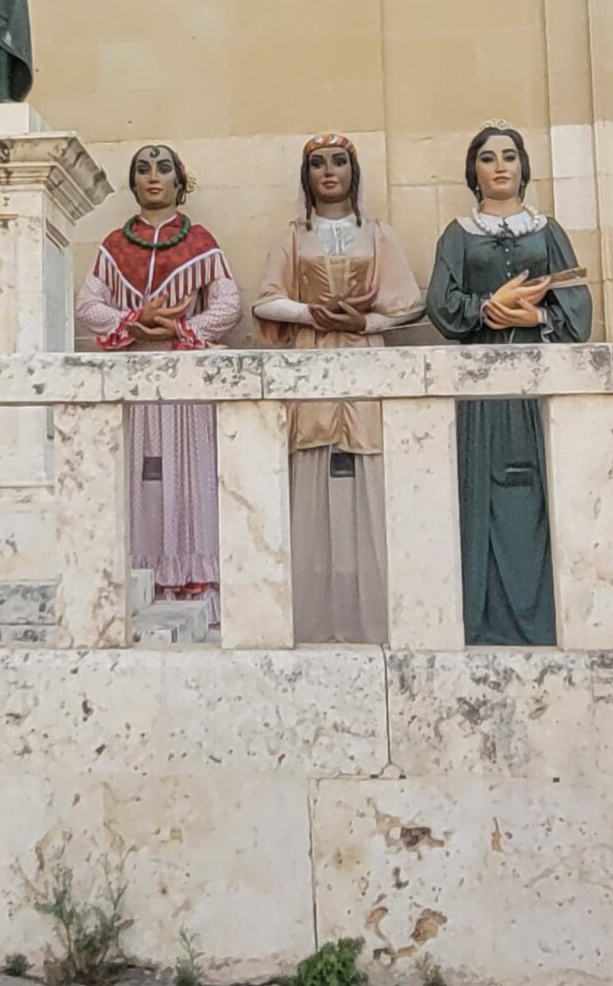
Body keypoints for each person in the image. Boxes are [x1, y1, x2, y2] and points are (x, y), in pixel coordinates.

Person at [254, 134, 424, 645]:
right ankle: (312, 617)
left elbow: (410, 305)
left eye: (339, 162)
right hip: (310, 364)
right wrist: (312, 313)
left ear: (354, 171)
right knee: (312, 469)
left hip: (366, 365)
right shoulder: (292, 237)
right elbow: (265, 301)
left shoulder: (377, 234)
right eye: (317, 164)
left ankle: (371, 616)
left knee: (367, 471)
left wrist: (366, 320)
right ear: (306, 176)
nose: (329, 172)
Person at [426, 122, 592, 646]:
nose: (500, 166)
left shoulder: (548, 231)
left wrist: (531, 314)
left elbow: (578, 312)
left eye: (510, 156)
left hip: (538, 380)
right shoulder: (458, 233)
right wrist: (487, 309)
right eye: (488, 158)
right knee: (482, 491)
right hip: (481, 381)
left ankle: (545, 619)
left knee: (539, 490)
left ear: (523, 166)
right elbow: (441, 305)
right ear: (473, 171)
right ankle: (482, 619)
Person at [75, 145, 241, 624]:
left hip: (184, 375)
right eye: (143, 169)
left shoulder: (200, 241)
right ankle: (136, 581)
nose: (153, 177)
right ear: (132, 183)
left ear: (179, 181)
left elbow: (228, 304)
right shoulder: (114, 245)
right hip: (134, 376)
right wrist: (134, 319)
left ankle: (195, 594)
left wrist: (182, 330)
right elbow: (88, 306)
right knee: (141, 477)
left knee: (187, 478)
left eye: (163, 169)